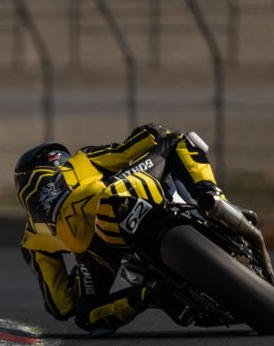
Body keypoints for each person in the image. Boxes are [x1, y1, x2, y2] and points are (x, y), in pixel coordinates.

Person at [15, 122, 235, 335]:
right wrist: (151, 132)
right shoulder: (80, 160)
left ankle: (150, 293)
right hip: (125, 190)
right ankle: (212, 197)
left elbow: (61, 306)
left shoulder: (31, 236)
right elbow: (134, 146)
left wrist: (78, 276)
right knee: (175, 140)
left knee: (87, 316)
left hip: (98, 250)